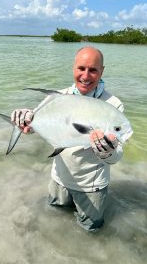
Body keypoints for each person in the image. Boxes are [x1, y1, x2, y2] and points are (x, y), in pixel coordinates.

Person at [11, 46, 129, 232]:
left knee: (91, 231)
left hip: (92, 187)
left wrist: (108, 151)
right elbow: (36, 125)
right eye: (81, 68)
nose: (86, 75)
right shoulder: (57, 97)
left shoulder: (113, 105)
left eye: (93, 70)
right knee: (54, 222)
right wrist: (24, 121)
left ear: (102, 71)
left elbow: (117, 156)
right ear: (73, 68)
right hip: (59, 179)